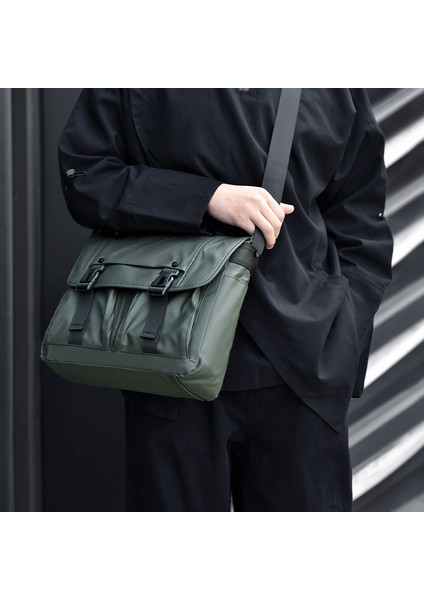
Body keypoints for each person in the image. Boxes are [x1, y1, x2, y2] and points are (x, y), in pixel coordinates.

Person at [58, 88, 394, 511]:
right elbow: (86, 175)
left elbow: (360, 218)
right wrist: (208, 198)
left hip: (302, 369)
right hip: (168, 357)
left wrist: (342, 335)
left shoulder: (332, 85)